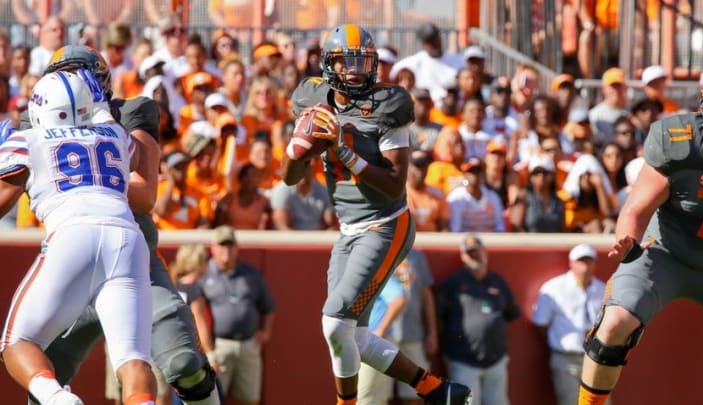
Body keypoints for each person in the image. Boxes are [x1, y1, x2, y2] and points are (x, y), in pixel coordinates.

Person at [19, 45, 222, 405]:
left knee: (184, 364)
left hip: (134, 262)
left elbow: (145, 196)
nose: (71, 87)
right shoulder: (37, 119)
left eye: (79, 77)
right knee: (41, 378)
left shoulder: (130, 112)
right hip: (72, 265)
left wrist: (83, 180)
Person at [282, 24, 471, 405]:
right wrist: (297, 149)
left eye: (361, 61)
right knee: (349, 333)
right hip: (348, 228)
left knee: (335, 320)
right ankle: (436, 390)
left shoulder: (387, 104)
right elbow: (290, 179)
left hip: (386, 225)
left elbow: (395, 182)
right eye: (345, 61)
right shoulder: (312, 97)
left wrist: (343, 151)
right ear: (329, 65)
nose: (354, 69)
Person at [0, 70, 157, 404]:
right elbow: (138, 156)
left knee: (17, 341)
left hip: (71, 235)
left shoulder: (27, 140)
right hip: (127, 240)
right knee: (132, 358)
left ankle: (59, 399)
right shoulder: (115, 134)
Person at [576, 71, 703, 405]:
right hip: (666, 251)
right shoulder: (677, 141)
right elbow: (637, 208)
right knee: (613, 325)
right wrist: (627, 240)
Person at [436, 234, 520, 405]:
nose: (475, 256)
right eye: (470, 253)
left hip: (495, 360)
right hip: (462, 360)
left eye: (477, 252)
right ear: (463, 256)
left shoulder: (498, 281)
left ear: (485, 252)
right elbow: (438, 316)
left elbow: (512, 312)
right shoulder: (453, 283)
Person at [200, 226, 276, 405]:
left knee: (249, 399)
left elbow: (268, 307)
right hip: (218, 346)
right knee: (213, 398)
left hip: (248, 344)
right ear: (213, 248)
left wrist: (265, 332)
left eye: (230, 245)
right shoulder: (204, 273)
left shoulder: (250, 274)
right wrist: (208, 350)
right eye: (221, 245)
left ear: (237, 248)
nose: (226, 250)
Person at [532, 244, 606, 405]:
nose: (585, 266)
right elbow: (541, 323)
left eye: (589, 261)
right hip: (567, 359)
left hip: (596, 359)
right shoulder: (553, 288)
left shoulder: (602, 289)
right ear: (571, 263)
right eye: (581, 261)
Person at [390, 249, 439, 405]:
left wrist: (432, 332)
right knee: (377, 395)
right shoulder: (378, 251)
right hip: (383, 337)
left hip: (413, 336)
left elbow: (427, 296)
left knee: (415, 395)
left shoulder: (417, 257)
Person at [357, 273, 407, 405]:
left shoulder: (378, 275)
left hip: (374, 343)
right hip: (363, 342)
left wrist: (381, 329)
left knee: (365, 399)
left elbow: (398, 299)